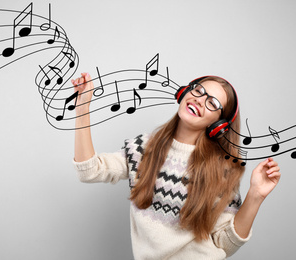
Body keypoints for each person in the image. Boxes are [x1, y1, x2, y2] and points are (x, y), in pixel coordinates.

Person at [71, 72, 281, 259]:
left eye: (213, 103)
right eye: (199, 91)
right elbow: (90, 171)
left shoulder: (222, 169)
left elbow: (224, 244)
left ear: (219, 125)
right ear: (184, 93)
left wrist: (255, 195)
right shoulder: (143, 148)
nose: (200, 100)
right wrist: (82, 109)